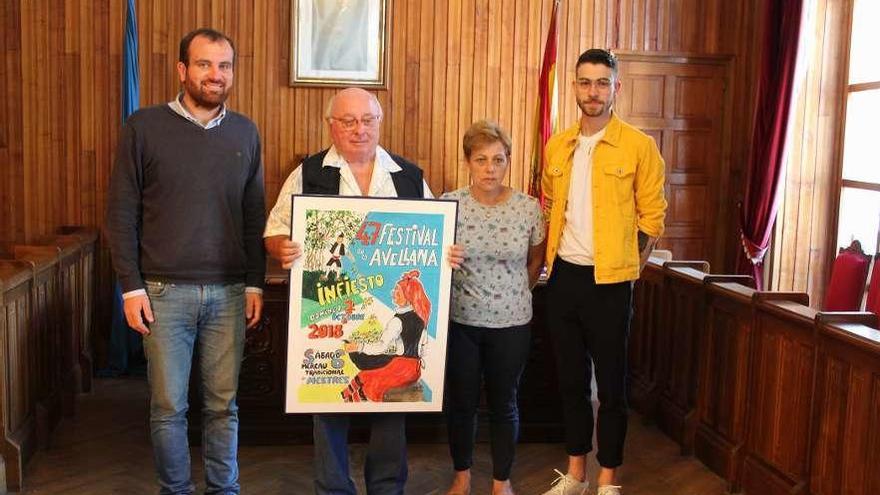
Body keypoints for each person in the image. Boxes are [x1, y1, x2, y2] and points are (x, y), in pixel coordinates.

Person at [263, 87, 464, 495]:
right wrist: (281, 246)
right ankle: (333, 488)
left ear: (379, 123)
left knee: (389, 411)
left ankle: (387, 488)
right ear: (331, 126)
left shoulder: (408, 175)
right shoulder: (309, 172)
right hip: (326, 312)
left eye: (367, 120)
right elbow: (275, 229)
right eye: (348, 121)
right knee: (326, 406)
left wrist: (447, 252)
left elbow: (431, 237)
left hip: (381, 307)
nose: (359, 130)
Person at [105, 28, 266, 495]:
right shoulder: (143, 127)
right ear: (182, 70)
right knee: (169, 407)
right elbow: (121, 212)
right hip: (161, 292)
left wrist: (255, 283)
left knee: (223, 406)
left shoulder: (245, 131)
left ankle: (224, 489)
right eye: (204, 64)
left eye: (224, 66)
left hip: (230, 292)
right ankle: (175, 490)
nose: (215, 75)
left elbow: (253, 211)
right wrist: (129, 287)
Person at [541, 49, 667, 495]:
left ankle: (608, 478)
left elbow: (652, 217)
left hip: (611, 283)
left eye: (601, 83)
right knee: (571, 382)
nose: (593, 92)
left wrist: (630, 268)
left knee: (612, 388)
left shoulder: (639, 146)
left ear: (616, 87)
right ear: (575, 87)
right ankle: (576, 473)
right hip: (564, 278)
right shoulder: (558, 143)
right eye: (585, 82)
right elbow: (551, 205)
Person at [440, 120, 546, 495]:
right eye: (481, 159)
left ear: (508, 162)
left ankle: (502, 480)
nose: (490, 168)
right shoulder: (448, 205)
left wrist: (514, 294)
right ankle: (462, 475)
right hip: (461, 322)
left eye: (498, 160)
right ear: (468, 161)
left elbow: (535, 262)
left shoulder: (528, 208)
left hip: (512, 323)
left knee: (505, 403)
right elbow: (436, 261)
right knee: (462, 404)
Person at [343, 270, 431, 403]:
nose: (393, 293)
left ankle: (346, 402)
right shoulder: (421, 319)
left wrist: (358, 346)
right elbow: (423, 350)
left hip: (400, 369)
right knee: (366, 375)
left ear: (408, 296)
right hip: (415, 370)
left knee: (368, 380)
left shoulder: (398, 321)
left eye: (397, 291)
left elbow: (381, 346)